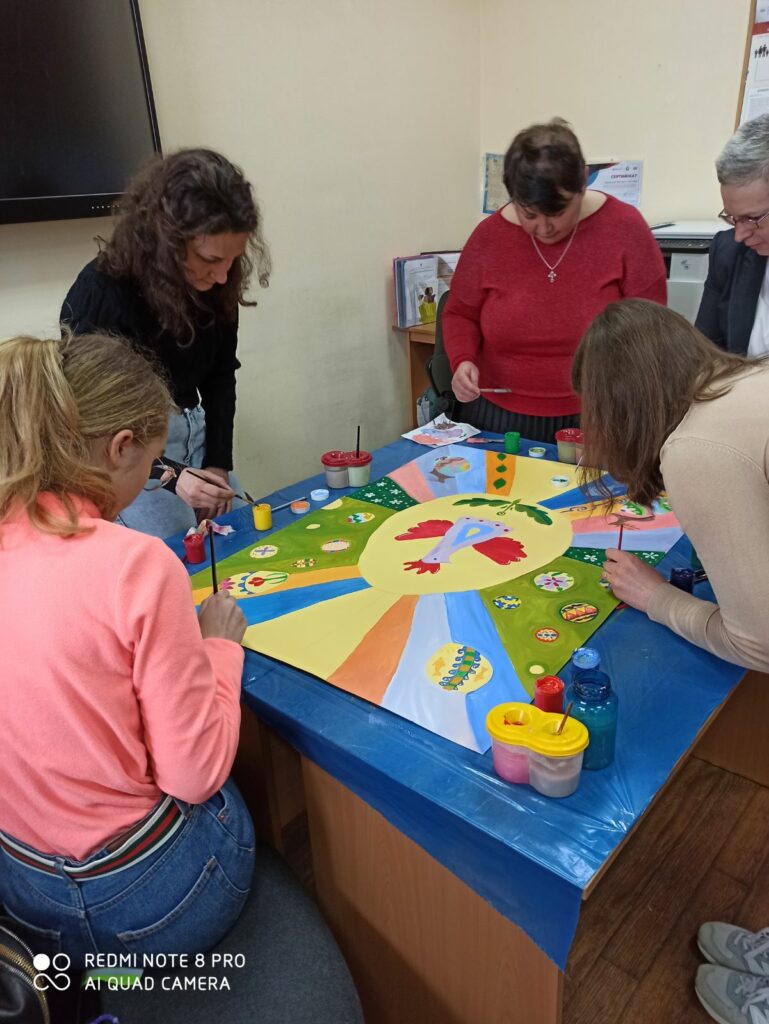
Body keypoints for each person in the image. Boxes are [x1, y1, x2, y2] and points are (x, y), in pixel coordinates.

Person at [0, 331, 253, 967]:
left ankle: (96, 982)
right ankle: (137, 980)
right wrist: (218, 647)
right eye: (153, 461)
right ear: (120, 448)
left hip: (24, 894)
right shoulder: (138, 565)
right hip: (145, 903)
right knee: (231, 790)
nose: (150, 479)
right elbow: (195, 776)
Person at [61, 148, 271, 539]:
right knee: (176, 560)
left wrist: (217, 462)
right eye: (210, 259)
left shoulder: (216, 283)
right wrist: (171, 476)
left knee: (243, 540)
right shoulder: (102, 292)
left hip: (195, 434)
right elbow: (91, 424)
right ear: (167, 242)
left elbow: (221, 375)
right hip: (128, 453)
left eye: (233, 259)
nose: (223, 276)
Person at [573, 297, 769, 673]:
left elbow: (760, 644)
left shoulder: (696, 446)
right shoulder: (749, 380)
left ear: (621, 409)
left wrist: (655, 596)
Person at [443, 118, 666, 443]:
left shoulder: (625, 228)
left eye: (558, 213)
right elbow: (460, 313)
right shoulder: (488, 238)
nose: (544, 228)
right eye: (529, 214)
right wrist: (462, 360)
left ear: (583, 184)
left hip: (597, 413)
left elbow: (650, 326)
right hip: (497, 412)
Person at [696, 113, 769, 357]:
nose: (739, 235)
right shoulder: (728, 252)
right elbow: (707, 354)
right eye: (733, 218)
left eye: (752, 219)